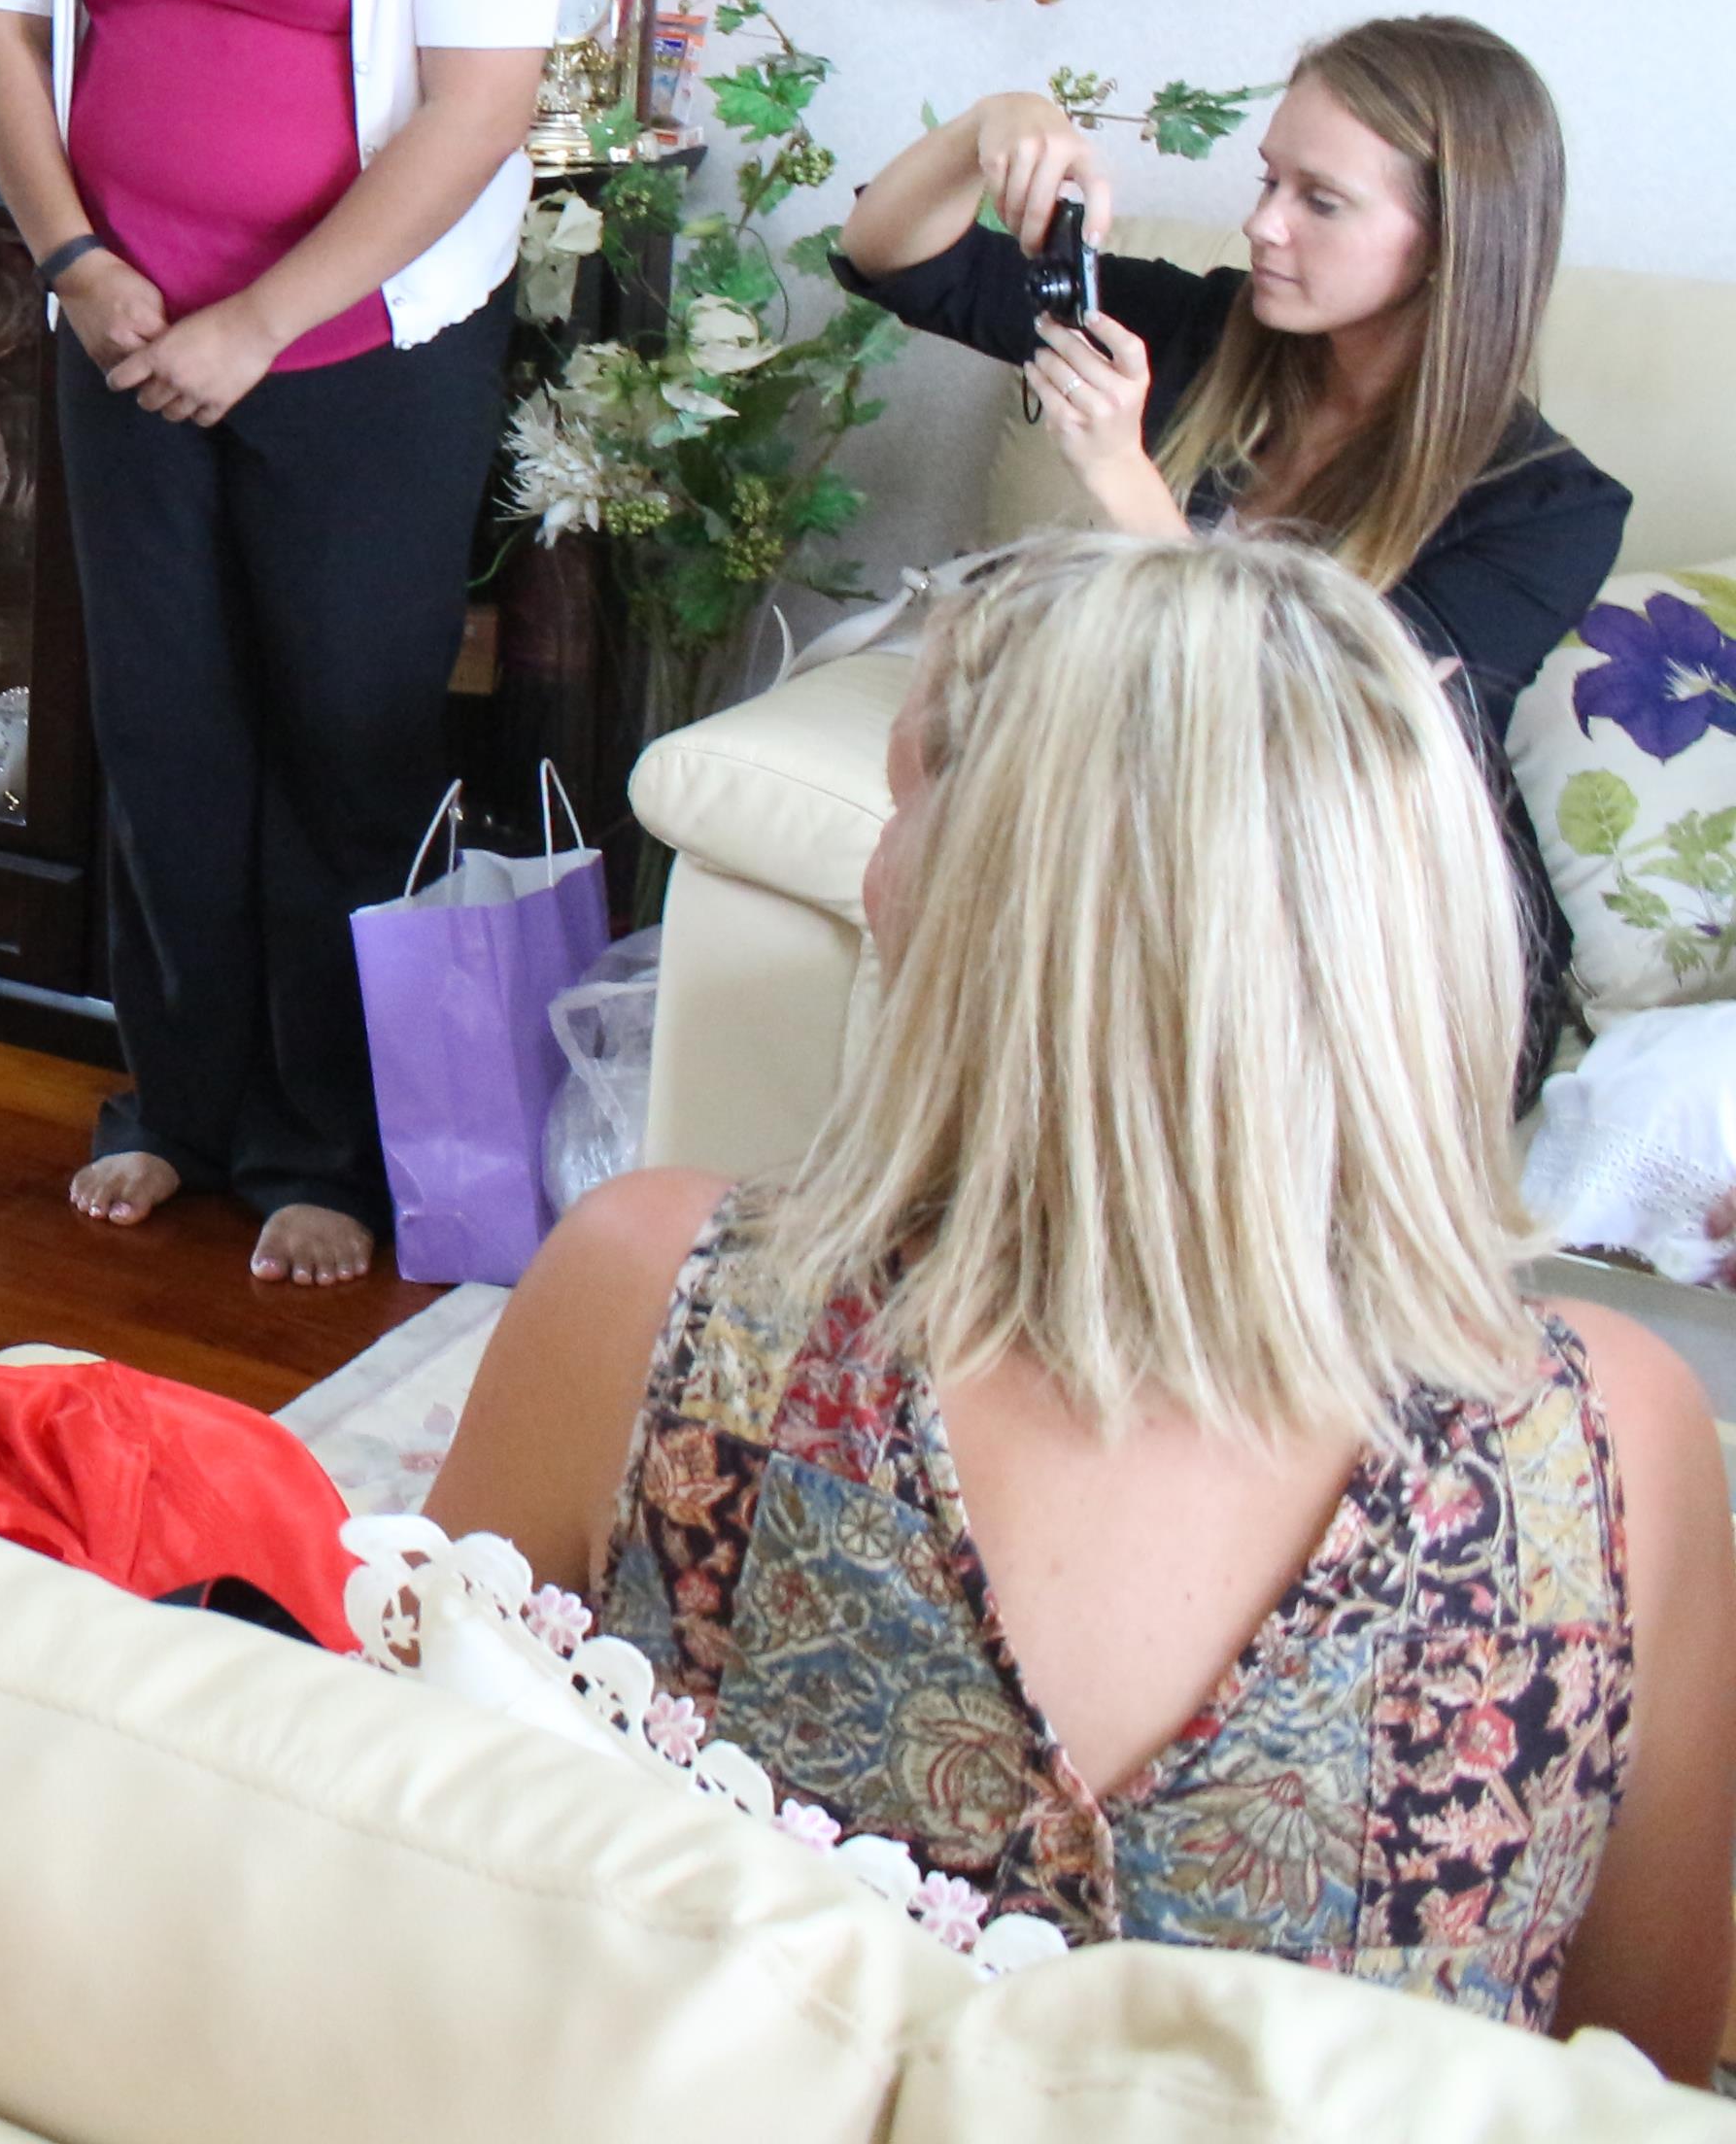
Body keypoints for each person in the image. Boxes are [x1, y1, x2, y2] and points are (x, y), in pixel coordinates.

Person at [427, 534, 1730, 2052]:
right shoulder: (1617, 1444)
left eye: (905, 807)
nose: (872, 871)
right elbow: (1635, 2071)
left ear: (1002, 910)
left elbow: (403, 1848)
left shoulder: (654, 1301)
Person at [0, 0, 573, 1286]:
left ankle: (334, 1144)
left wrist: (256, 319)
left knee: (345, 740)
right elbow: (2, 29)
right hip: (123, 328)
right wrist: (79, 265)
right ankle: (176, 1102)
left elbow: (479, 106)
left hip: (361, 349)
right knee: (164, 725)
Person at [835, 15, 1623, 1084]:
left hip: (1377, 938)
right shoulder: (1214, 332)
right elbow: (893, 257)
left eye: (1320, 200)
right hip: (1169, 842)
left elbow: (1326, 740)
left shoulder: (1545, 508)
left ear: (1452, 240)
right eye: (1268, 182)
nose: (1263, 227)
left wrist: (1124, 478)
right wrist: (991, 126)